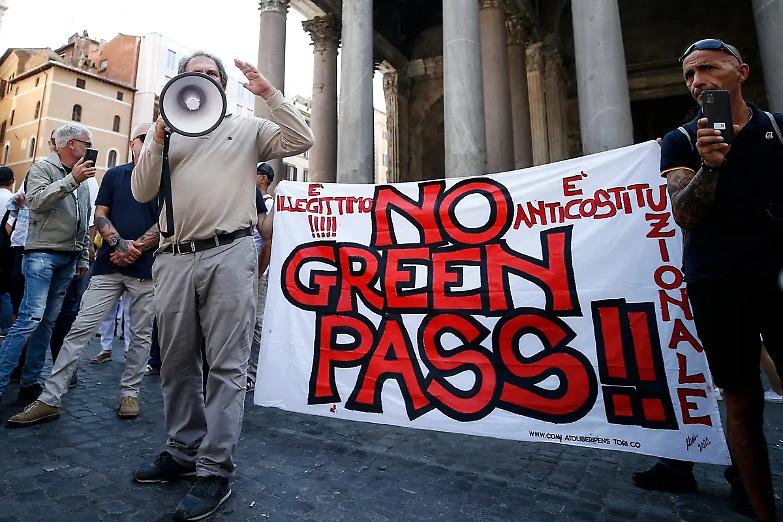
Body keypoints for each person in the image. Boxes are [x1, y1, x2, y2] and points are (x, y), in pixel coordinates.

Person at [130, 52, 313, 521]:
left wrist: (268, 92)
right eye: (193, 74)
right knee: (174, 363)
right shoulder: (165, 134)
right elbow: (141, 191)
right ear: (179, 83)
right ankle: (181, 451)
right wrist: (157, 134)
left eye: (211, 75)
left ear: (223, 85)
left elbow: (301, 138)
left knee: (226, 367)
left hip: (229, 252)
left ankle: (214, 469)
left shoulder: (246, 127)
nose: (202, 80)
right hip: (172, 258)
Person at [657, 38, 783, 521]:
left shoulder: (775, 129)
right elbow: (684, 214)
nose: (697, 82)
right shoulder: (682, 140)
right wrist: (709, 166)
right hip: (717, 280)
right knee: (741, 397)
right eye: (689, 74)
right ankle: (761, 509)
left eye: (708, 68)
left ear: (741, 72)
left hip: (774, 276)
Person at [7, 123, 159, 426]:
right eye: (147, 139)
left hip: (146, 269)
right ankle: (50, 398)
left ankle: (130, 393)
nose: (154, 144)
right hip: (108, 266)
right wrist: (118, 244)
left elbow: (168, 222)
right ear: (133, 144)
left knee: (141, 336)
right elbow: (100, 214)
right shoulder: (115, 175)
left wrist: (135, 249)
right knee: (79, 331)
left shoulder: (167, 178)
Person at [0, 123, 94, 407]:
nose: (90, 147)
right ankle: (2, 381)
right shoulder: (42, 169)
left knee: (47, 323)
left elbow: (84, 217)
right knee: (30, 319)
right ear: (70, 145)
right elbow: (37, 202)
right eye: (86, 142)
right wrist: (71, 181)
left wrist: (82, 256)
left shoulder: (83, 176)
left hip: (68, 258)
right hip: (42, 255)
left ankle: (30, 383)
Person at [246, 162, 273, 393]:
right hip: (244, 270)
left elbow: (268, 240)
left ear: (262, 178)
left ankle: (253, 373)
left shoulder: (271, 205)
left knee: (257, 323)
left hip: (259, 272)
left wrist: (260, 272)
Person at [0, 166, 16, 336]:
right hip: (6, 248)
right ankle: (7, 327)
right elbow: (10, 228)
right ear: (11, 182)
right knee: (4, 290)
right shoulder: (13, 200)